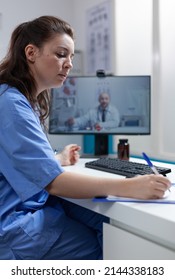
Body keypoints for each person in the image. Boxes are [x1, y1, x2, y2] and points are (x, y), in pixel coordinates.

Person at [0, 16, 171, 260]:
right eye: (61, 54)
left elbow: (19, 161)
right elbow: (54, 183)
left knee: (102, 221)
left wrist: (56, 158)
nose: (69, 64)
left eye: (71, 57)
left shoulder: (19, 99)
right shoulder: (11, 104)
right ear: (31, 53)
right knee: (107, 247)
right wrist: (129, 187)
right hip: (15, 225)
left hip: (24, 207)